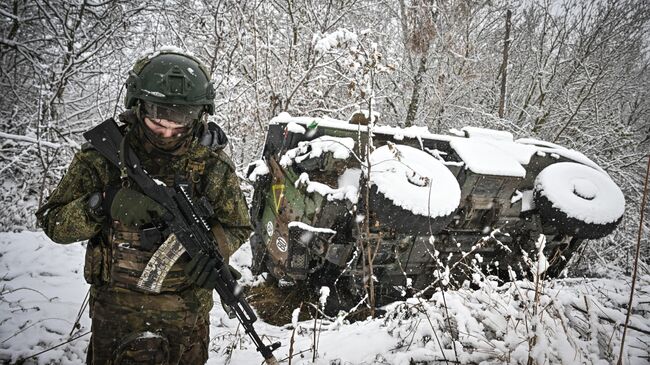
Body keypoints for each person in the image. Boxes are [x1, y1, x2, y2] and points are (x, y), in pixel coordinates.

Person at [36, 49, 252, 364]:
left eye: (180, 122)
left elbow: (239, 226)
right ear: (137, 105)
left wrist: (213, 253)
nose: (167, 132)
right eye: (157, 119)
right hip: (117, 314)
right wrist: (103, 204)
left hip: (187, 317)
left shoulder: (211, 165)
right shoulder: (103, 157)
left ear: (199, 114)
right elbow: (53, 222)